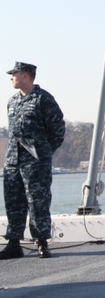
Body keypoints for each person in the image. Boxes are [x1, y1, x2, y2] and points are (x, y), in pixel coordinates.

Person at [2, 61, 65, 261]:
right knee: (13, 202)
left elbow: (57, 130)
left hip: (35, 161)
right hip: (13, 159)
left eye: (15, 74)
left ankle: (41, 242)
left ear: (26, 76)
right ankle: (14, 244)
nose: (11, 77)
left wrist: (43, 152)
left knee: (38, 201)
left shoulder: (43, 99)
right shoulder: (12, 101)